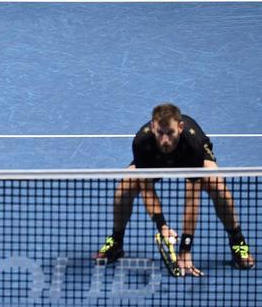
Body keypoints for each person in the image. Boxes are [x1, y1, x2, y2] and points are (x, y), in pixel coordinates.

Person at [94, 103, 255, 276]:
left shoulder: (192, 143)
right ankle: (116, 241)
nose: (165, 140)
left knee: (216, 184)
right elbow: (146, 189)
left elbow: (192, 196)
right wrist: (162, 226)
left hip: (187, 155)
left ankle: (238, 240)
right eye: (160, 133)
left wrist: (185, 248)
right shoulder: (142, 142)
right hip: (155, 158)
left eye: (170, 133)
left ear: (180, 127)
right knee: (125, 187)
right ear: (152, 127)